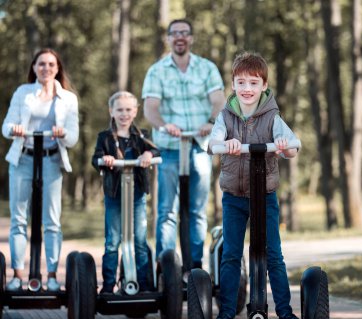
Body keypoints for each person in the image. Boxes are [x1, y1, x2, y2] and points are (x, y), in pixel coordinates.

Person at [209, 52, 299, 319]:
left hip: (266, 196)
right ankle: (226, 312)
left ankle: (284, 312)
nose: (247, 88)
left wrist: (285, 148)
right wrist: (226, 144)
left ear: (264, 86)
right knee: (231, 256)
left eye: (253, 83)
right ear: (233, 84)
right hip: (234, 197)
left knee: (273, 256)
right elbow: (213, 143)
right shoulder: (225, 117)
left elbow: (292, 147)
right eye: (241, 82)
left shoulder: (273, 117)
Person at [142, 19, 225, 268]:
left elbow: (219, 101)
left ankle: (195, 267)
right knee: (167, 210)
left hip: (199, 145)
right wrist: (163, 125)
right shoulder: (157, 71)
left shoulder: (207, 68)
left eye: (185, 33)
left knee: (197, 211)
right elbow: (151, 108)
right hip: (169, 147)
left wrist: (211, 122)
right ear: (168, 38)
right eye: (175, 33)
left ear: (191, 38)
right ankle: (167, 267)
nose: (180, 37)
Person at [2, 48, 79, 291]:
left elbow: (73, 137)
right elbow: (6, 127)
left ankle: (53, 277)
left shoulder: (68, 98)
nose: (46, 68)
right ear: (34, 67)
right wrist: (15, 129)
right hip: (23, 159)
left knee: (52, 221)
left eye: (51, 65)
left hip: (51, 160)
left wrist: (62, 133)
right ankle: (17, 276)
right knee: (19, 219)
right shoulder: (23, 93)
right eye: (41, 64)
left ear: (58, 69)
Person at [92, 91, 160, 294]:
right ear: (111, 111)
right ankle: (108, 284)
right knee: (112, 241)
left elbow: (156, 151)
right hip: (114, 195)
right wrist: (105, 160)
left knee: (139, 240)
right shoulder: (104, 138)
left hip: (136, 195)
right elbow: (96, 158)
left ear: (135, 111)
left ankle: (144, 285)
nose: (124, 114)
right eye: (119, 109)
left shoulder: (141, 136)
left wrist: (149, 153)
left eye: (128, 109)